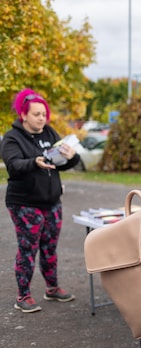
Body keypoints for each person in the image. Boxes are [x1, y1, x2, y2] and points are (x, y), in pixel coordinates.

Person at [1, 88, 79, 313]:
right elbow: (14, 165)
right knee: (28, 248)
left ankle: (52, 289)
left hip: (52, 202)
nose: (42, 118)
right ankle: (23, 296)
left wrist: (72, 156)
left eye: (44, 114)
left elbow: (62, 163)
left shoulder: (50, 133)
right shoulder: (12, 138)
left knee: (49, 248)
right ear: (23, 115)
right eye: (36, 114)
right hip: (24, 203)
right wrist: (34, 162)